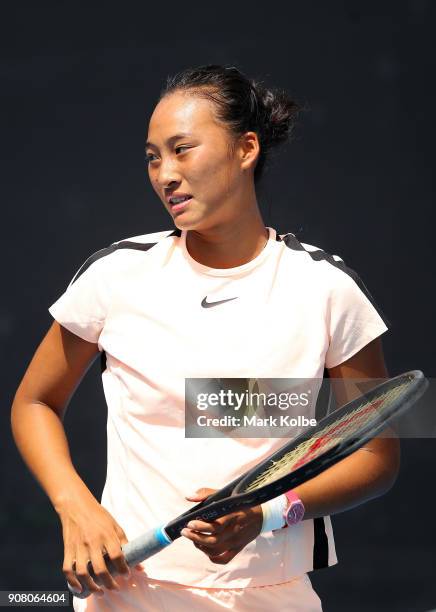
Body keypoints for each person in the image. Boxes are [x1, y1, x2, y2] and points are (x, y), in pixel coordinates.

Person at [11, 64, 400, 611]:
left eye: (182, 149)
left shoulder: (325, 289)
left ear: (246, 149)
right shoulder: (115, 275)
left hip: (270, 594)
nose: (164, 173)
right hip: (125, 594)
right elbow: (33, 402)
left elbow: (378, 457)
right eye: (152, 156)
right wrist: (74, 504)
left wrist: (264, 513)